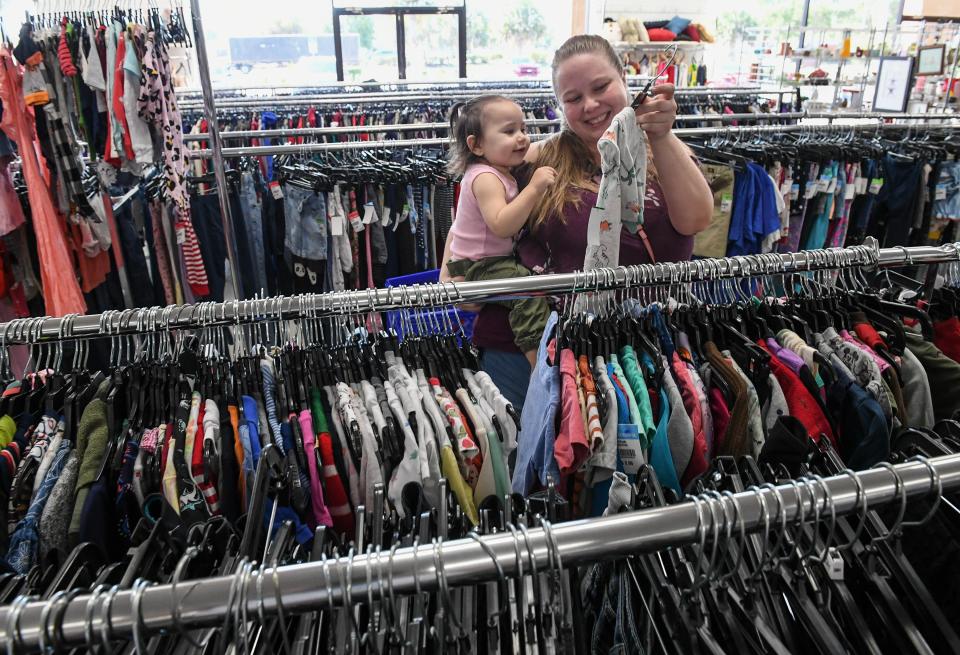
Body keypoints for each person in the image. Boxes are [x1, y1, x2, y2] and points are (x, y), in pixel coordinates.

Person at [440, 34, 713, 412]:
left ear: (624, 79)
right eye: (572, 98)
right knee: (527, 461)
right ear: (560, 106)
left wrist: (661, 136)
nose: (590, 105)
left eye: (601, 87)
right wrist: (452, 274)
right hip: (530, 348)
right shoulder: (538, 158)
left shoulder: (661, 151)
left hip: (641, 347)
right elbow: (475, 193)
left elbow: (696, 219)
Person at [444, 95, 555, 368]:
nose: (522, 138)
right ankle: (539, 368)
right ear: (477, 145)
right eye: (509, 131)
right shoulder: (485, 178)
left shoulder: (499, 171)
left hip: (482, 260)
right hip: (479, 264)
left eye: (523, 129)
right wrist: (534, 188)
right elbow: (502, 224)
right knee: (526, 295)